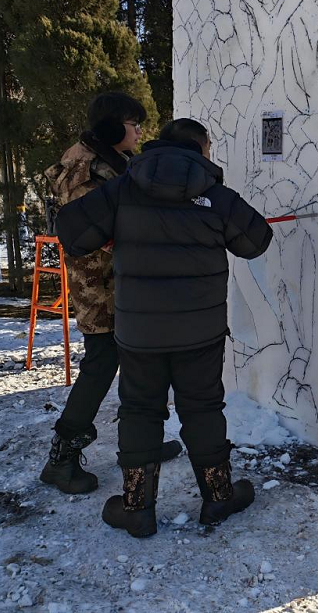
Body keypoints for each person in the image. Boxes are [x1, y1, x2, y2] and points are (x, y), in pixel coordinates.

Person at [55, 118, 273, 537]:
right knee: (203, 407)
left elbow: (72, 232)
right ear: (199, 147)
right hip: (200, 330)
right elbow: (257, 241)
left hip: (139, 332)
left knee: (139, 409)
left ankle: (137, 507)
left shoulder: (123, 188)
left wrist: (114, 233)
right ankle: (218, 497)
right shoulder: (213, 193)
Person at [41, 92, 181, 494]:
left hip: (125, 281)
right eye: (133, 124)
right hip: (100, 286)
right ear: (112, 127)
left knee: (139, 361)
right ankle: (61, 458)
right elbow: (89, 229)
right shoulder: (83, 168)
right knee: (102, 362)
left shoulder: (110, 160)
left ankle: (142, 445)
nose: (139, 131)